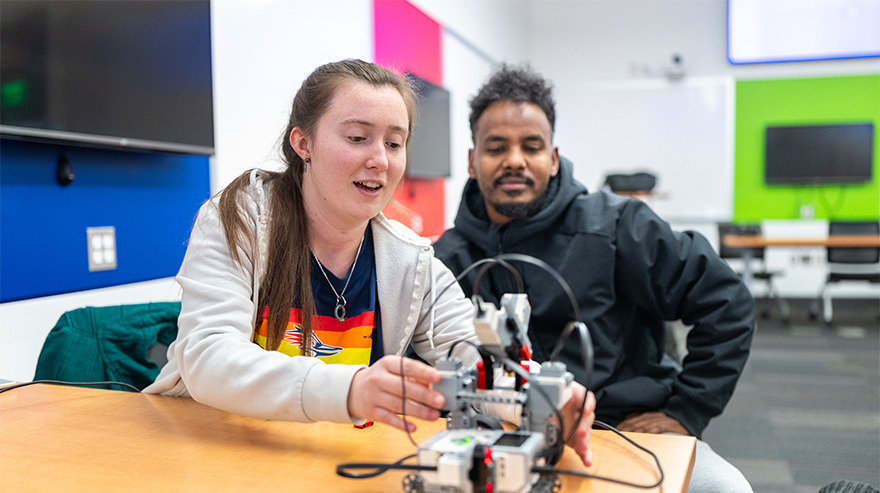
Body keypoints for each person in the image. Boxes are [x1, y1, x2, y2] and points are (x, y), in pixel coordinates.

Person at [144, 59, 594, 464]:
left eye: (394, 143)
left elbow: (473, 355)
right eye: (358, 138)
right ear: (303, 143)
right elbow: (208, 357)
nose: (379, 160)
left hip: (322, 455)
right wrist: (354, 389)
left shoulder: (410, 258)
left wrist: (541, 392)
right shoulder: (242, 220)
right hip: (208, 448)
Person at [432, 64, 756, 492]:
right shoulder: (446, 256)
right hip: (494, 435)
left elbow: (726, 300)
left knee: (724, 489)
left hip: (619, 428)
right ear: (473, 162)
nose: (515, 160)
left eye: (531, 146)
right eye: (497, 147)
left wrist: (687, 411)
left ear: (552, 157)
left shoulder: (617, 225)